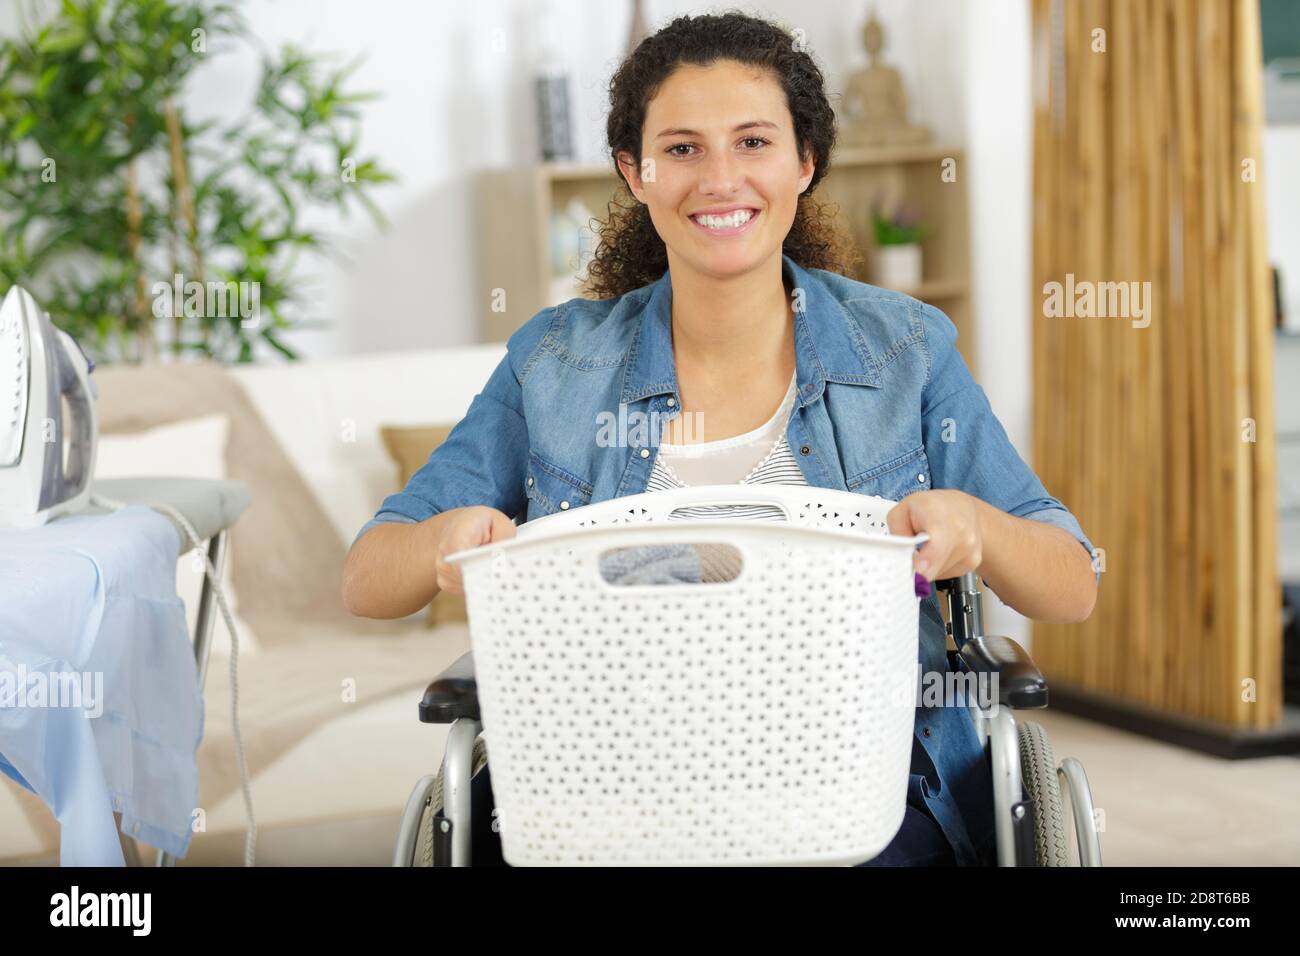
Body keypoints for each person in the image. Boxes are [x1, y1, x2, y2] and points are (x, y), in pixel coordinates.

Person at [343, 12, 1098, 866]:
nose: (720, 178)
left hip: (858, 787)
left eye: (752, 142)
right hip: (605, 784)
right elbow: (370, 577)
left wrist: (980, 526)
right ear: (635, 172)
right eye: (682, 149)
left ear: (803, 161)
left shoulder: (907, 351)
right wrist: (445, 542)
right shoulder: (554, 363)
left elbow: (1069, 585)